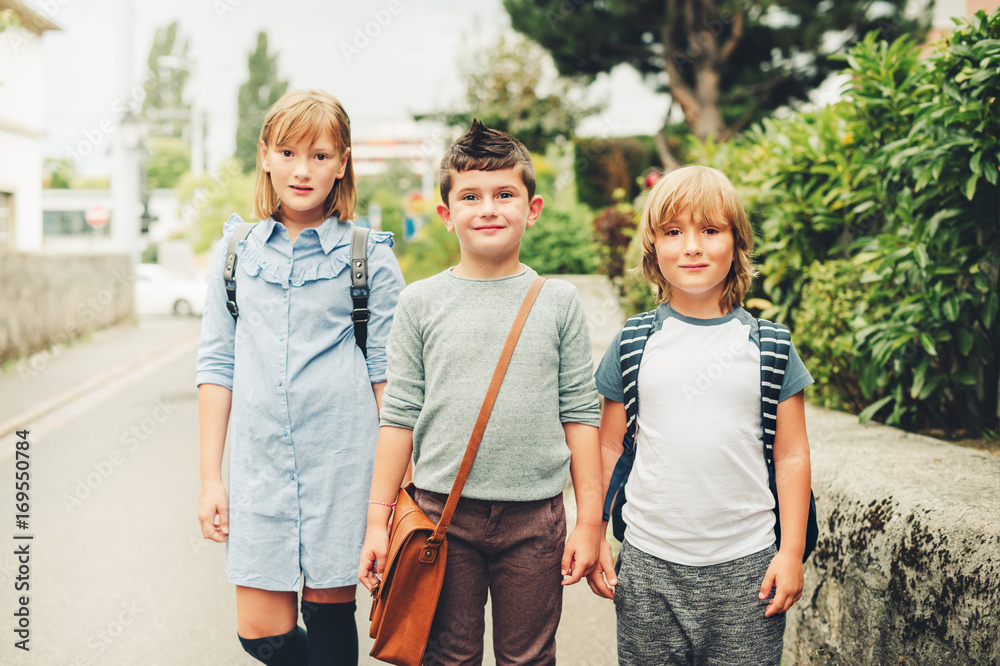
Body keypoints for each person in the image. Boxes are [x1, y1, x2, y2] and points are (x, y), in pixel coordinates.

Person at [357, 119, 604, 665]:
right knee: (450, 656)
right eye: (470, 196)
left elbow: (581, 414)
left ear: (531, 208)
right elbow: (398, 416)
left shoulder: (557, 301)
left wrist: (590, 522)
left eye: (504, 194)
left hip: (536, 520)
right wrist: (378, 522)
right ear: (447, 215)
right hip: (442, 517)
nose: (488, 208)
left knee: (529, 658)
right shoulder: (420, 303)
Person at [196, 89, 405, 666]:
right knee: (262, 635)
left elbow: (391, 381)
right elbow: (217, 365)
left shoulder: (370, 257)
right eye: (288, 152)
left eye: (319, 155)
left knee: (329, 616)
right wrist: (211, 478)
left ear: (342, 163)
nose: (302, 169)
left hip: (344, 469)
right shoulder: (236, 253)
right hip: (260, 472)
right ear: (265, 155)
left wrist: (398, 490)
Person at [587, 165, 814, 665]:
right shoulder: (632, 342)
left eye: (710, 230)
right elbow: (608, 445)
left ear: (736, 243)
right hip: (648, 566)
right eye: (673, 232)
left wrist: (791, 552)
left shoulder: (770, 346)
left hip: (749, 568)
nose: (692, 246)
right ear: (653, 249)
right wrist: (596, 532)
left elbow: (792, 454)